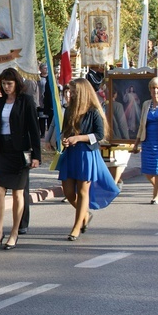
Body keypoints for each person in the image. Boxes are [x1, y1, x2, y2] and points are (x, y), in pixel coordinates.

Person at [57, 78, 120, 241]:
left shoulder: (93, 111)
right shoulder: (70, 109)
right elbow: (66, 131)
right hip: (71, 154)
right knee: (68, 191)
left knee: (83, 191)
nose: (69, 94)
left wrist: (79, 138)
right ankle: (85, 214)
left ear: (82, 92)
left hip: (86, 155)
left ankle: (77, 227)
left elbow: (99, 135)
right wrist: (66, 139)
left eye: (73, 91)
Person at [0, 68, 41, 251]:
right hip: (1, 150)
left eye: (9, 83)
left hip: (19, 152)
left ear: (17, 83)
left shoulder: (26, 101)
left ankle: (15, 232)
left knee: (18, 193)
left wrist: (36, 155)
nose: (6, 87)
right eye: (3, 83)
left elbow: (34, 129)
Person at [132, 77, 158, 204]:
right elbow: (141, 125)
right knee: (147, 171)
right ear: (150, 90)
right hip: (147, 141)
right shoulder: (146, 104)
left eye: (157, 88)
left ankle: (156, 196)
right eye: (153, 88)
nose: (155, 91)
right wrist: (136, 144)